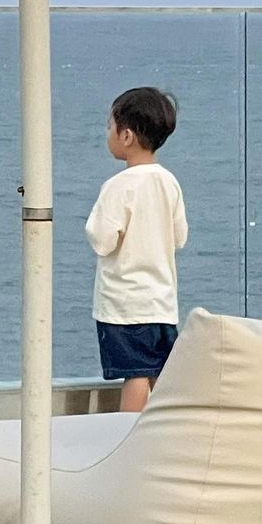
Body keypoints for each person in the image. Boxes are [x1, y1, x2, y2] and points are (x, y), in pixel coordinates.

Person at [85, 87, 188, 414]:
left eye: (110, 126)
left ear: (126, 135)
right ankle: (167, 431)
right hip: (162, 303)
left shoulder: (118, 186)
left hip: (124, 305)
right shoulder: (169, 182)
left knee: (136, 375)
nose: (108, 133)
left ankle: (129, 432)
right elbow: (180, 237)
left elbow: (102, 240)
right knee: (159, 375)